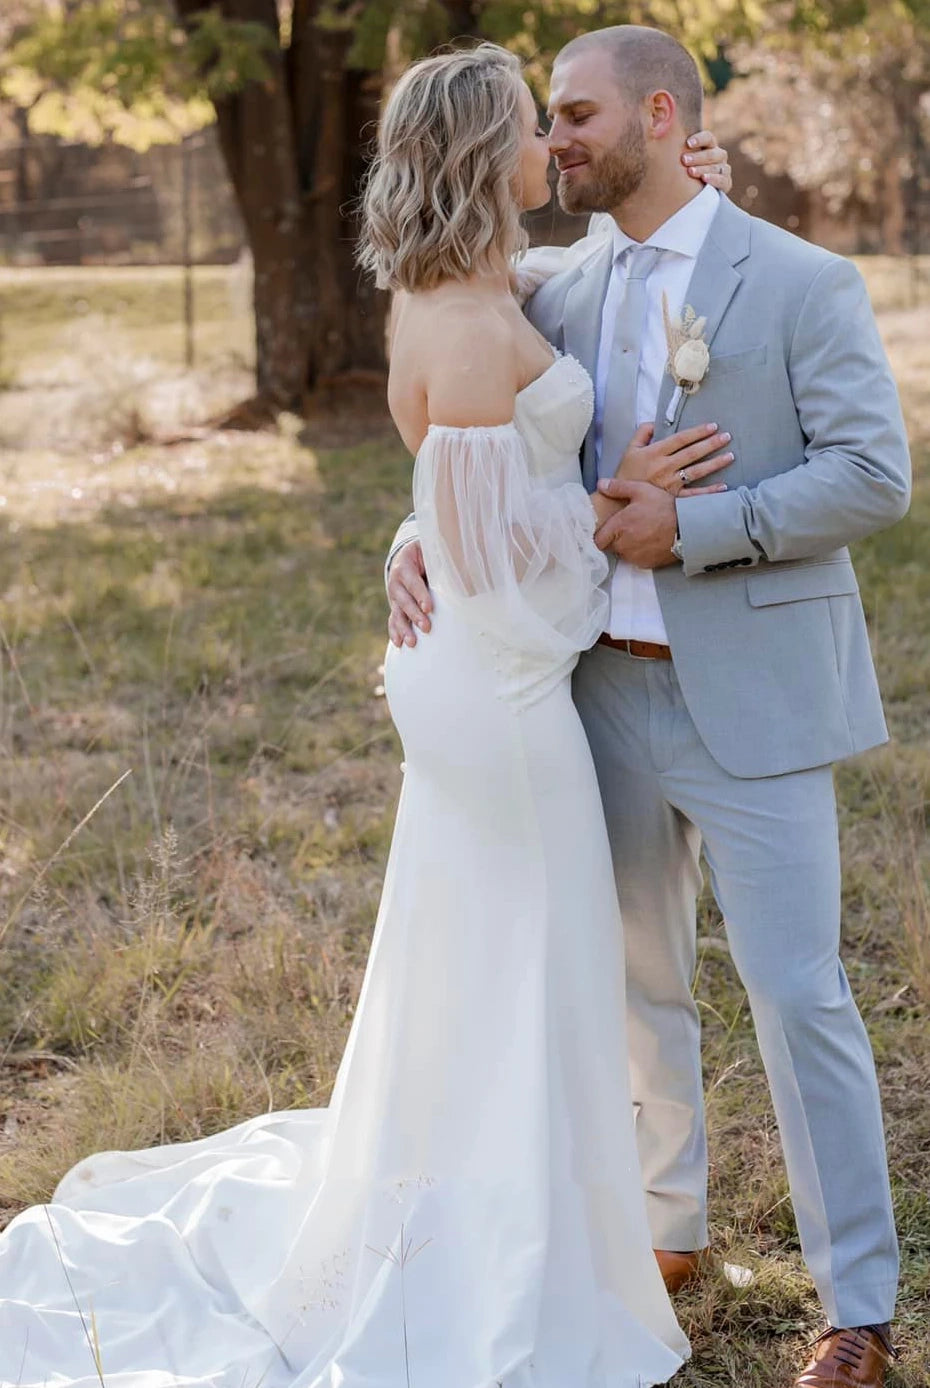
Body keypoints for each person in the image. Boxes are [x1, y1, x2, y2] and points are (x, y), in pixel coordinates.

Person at [0, 41, 735, 1388]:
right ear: (479, 154)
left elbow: (474, 493)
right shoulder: (462, 323)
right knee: (539, 947)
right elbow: (517, 582)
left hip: (472, 676)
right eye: (530, 126)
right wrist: (617, 497)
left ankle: (519, 1199)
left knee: (498, 948)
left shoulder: (464, 286)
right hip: (501, 693)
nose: (548, 146)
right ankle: (514, 1246)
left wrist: (428, 531)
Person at [387, 26, 912, 1388]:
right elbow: (476, 432)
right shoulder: (554, 287)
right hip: (589, 699)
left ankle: (852, 1301)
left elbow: (871, 479)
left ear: (658, 114)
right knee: (634, 986)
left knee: (800, 1000)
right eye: (542, 122)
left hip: (752, 701)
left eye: (572, 116)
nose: (551, 142)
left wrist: (703, 528)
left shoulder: (801, 281)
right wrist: (413, 539)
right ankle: (663, 1225)